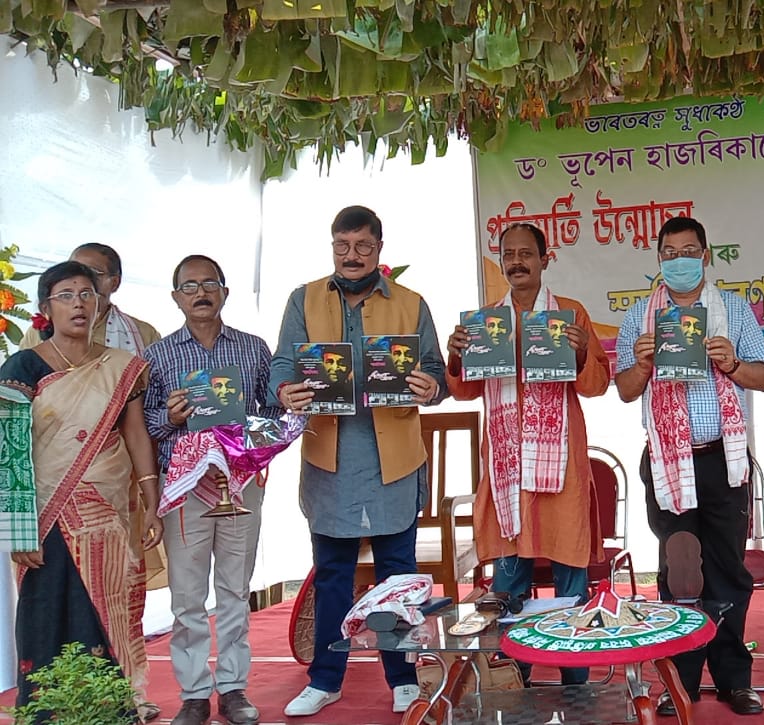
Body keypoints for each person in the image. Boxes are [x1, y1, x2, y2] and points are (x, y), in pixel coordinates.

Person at [270, 206, 448, 717]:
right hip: (331, 457)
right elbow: (284, 361)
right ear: (332, 247)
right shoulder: (302, 299)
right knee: (331, 574)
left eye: (362, 247)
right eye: (342, 246)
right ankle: (325, 679)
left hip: (394, 460)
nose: (352, 256)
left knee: (398, 575)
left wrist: (431, 386)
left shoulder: (411, 303)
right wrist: (286, 389)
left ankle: (403, 677)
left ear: (379, 249)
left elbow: (436, 369)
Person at [615, 216, 764, 717]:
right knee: (679, 573)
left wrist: (731, 363)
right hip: (665, 459)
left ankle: (733, 680)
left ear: (705, 255)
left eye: (688, 251)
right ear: (658, 258)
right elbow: (623, 390)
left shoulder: (733, 311)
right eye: (669, 252)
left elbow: (763, 377)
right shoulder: (640, 316)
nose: (678, 260)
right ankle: (678, 682)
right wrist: (641, 366)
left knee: (728, 572)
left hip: (722, 460)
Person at [445, 223, 610, 685]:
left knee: (569, 579)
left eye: (526, 254)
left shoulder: (570, 314)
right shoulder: (484, 321)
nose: (517, 262)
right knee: (510, 582)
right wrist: (457, 355)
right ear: (502, 262)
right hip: (506, 469)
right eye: (508, 254)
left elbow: (597, 383)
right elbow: (463, 389)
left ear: (545, 259)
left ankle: (575, 684)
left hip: (561, 468)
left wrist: (578, 356)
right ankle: (515, 684)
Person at [1, 262, 163, 715]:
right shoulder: (22, 366)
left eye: (87, 294)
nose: (78, 303)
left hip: (106, 513)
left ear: (101, 303)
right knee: (45, 610)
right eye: (66, 294)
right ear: (45, 307)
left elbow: (135, 435)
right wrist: (18, 531)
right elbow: (11, 451)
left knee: (106, 607)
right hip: (44, 514)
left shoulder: (120, 368)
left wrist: (152, 501)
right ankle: (47, 713)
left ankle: (110, 710)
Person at [142, 256, 282, 725]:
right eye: (189, 286)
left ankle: (234, 689)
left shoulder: (254, 349)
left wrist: (248, 447)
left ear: (224, 291)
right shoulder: (158, 356)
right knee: (186, 595)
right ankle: (194, 693)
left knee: (234, 591)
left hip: (240, 485)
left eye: (209, 284)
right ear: (176, 296)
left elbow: (276, 416)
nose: (200, 293)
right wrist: (173, 418)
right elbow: (144, 426)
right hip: (185, 488)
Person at [18, 243, 161, 353]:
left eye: (92, 272)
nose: (81, 278)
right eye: (72, 270)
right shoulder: (40, 331)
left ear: (115, 283)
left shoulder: (144, 334)